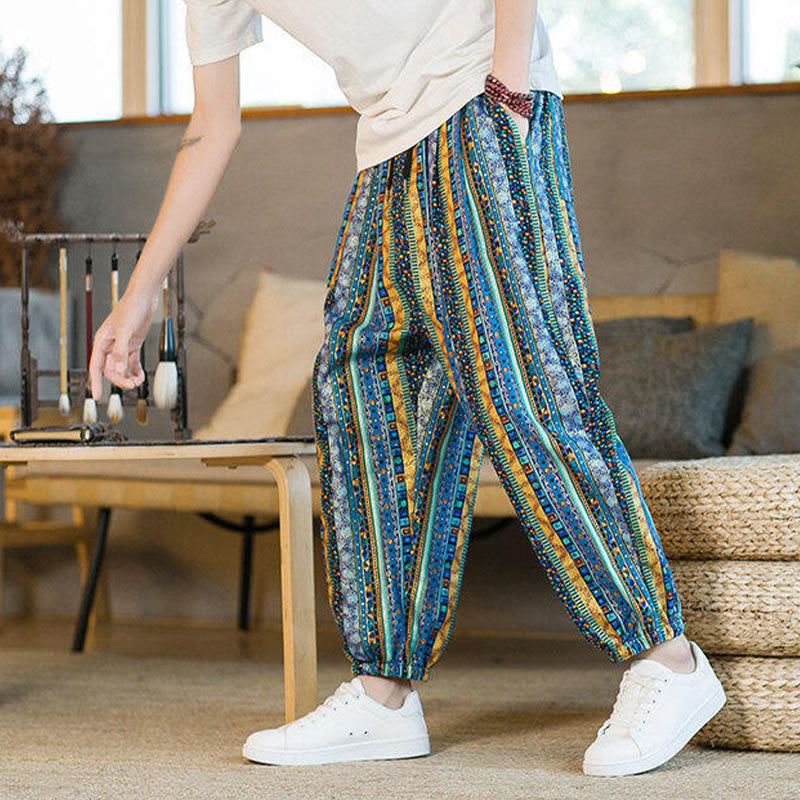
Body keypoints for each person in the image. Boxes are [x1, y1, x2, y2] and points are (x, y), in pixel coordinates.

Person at [89, 0, 727, 777]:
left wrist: (510, 90)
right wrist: (140, 292)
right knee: (363, 387)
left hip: (480, 102)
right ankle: (384, 694)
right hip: (388, 145)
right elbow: (210, 126)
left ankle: (667, 658)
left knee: (518, 385)